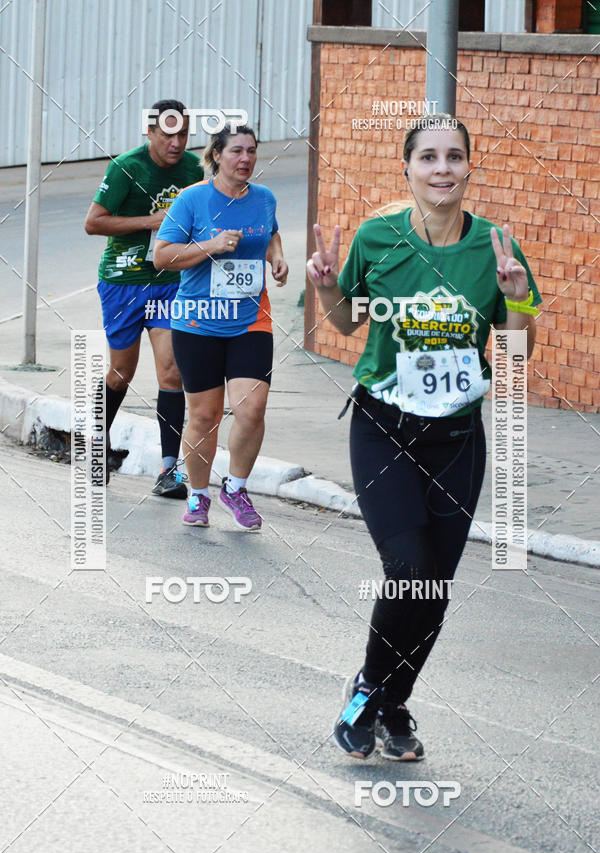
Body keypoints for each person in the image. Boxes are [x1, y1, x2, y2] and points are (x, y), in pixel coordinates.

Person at [306, 113, 541, 761]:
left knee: (434, 585)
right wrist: (324, 286)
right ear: (407, 169)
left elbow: (517, 352)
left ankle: (394, 702)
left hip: (458, 435)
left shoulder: (496, 248)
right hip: (384, 426)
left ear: (470, 168)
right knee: (409, 570)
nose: (442, 168)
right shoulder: (378, 237)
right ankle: (364, 693)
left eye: (454, 157)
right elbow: (347, 320)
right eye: (429, 157)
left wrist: (515, 299)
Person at [153, 123, 288, 530]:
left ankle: (236, 487)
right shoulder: (192, 200)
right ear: (217, 156)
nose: (245, 159)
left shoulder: (264, 198)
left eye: (251, 151)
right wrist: (210, 246)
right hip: (198, 323)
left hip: (250, 320)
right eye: (236, 152)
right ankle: (197, 496)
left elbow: (271, 233)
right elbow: (161, 256)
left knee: (252, 408)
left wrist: (276, 257)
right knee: (205, 415)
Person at [84, 99, 204, 495]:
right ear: (150, 132)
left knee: (171, 371)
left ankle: (169, 471)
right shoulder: (126, 168)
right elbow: (94, 222)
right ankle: (96, 447)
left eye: (183, 134)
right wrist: (152, 222)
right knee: (121, 373)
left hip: (169, 282)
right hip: (123, 282)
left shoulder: (194, 168)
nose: (176, 142)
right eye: (167, 134)